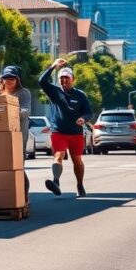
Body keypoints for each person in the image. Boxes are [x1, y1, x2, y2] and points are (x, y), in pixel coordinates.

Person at [39, 58, 93, 197]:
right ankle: (56, 182)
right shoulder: (55, 92)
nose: (64, 81)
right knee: (58, 155)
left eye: (67, 78)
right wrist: (53, 66)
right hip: (59, 132)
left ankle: (80, 185)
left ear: (73, 79)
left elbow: (88, 112)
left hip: (75, 133)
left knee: (77, 160)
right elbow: (42, 81)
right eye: (62, 78)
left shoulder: (80, 95)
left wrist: (83, 119)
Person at [0, 65, 33, 202]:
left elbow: (26, 111)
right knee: (1, 165)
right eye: (6, 78)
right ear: (2, 79)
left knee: (18, 166)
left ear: (17, 79)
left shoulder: (24, 93)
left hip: (18, 133)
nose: (9, 81)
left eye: (12, 78)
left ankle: (24, 197)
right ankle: (4, 196)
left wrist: (9, 111)